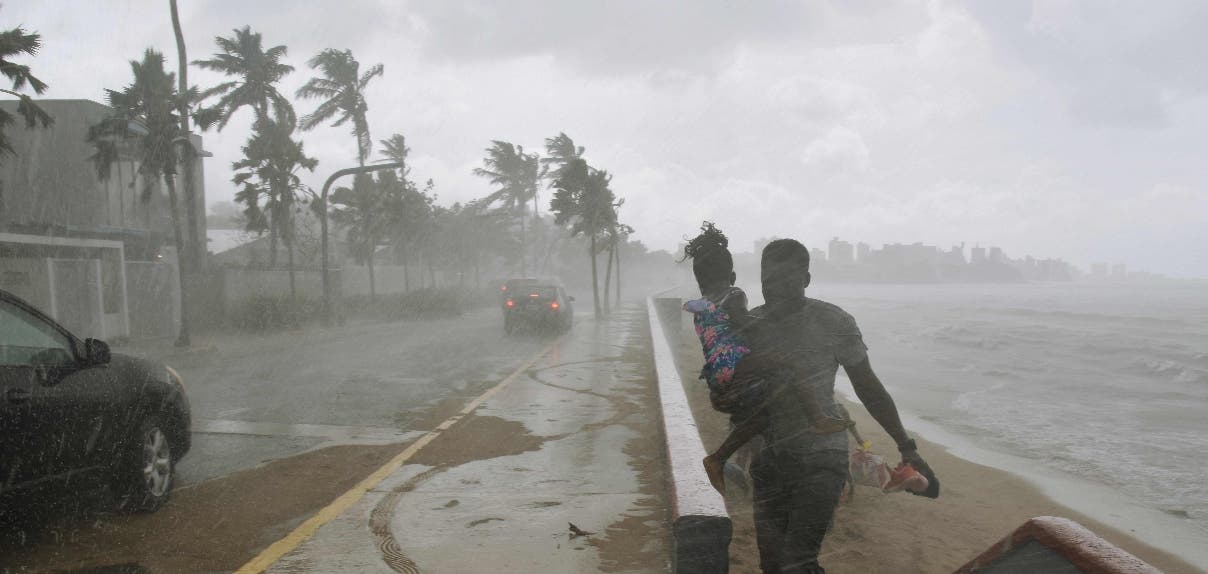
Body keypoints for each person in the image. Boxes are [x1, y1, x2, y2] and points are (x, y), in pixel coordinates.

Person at [732, 238, 939, 574]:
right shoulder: (749, 328)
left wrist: (906, 444)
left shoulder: (834, 322)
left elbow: (868, 386)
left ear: (806, 279)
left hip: (822, 458)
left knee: (799, 561)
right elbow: (741, 396)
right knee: (770, 562)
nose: (778, 290)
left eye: (788, 280)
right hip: (769, 459)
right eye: (769, 281)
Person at [679, 223, 850, 493]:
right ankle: (819, 418)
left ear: (699, 280)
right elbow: (744, 323)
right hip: (737, 364)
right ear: (732, 275)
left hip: (717, 373)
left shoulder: (700, 306)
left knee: (763, 414)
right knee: (792, 364)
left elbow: (708, 321)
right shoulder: (734, 295)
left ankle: (718, 458)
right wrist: (767, 323)